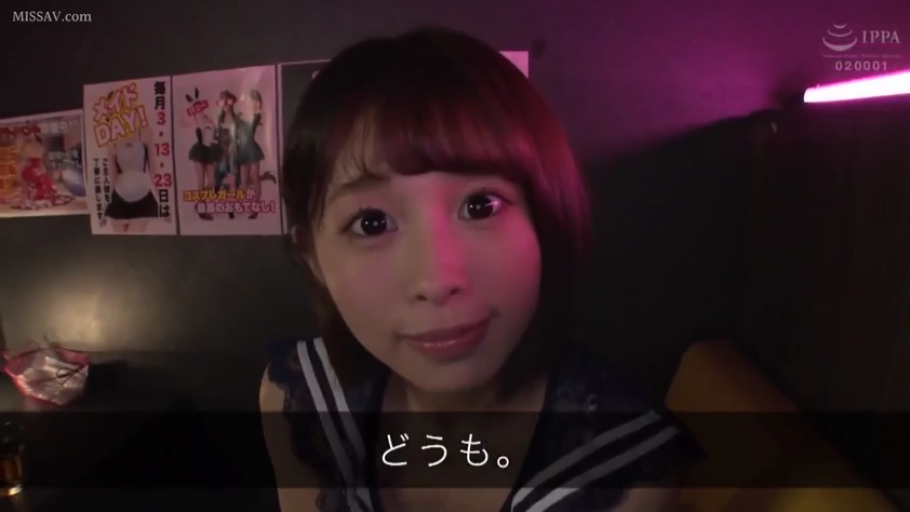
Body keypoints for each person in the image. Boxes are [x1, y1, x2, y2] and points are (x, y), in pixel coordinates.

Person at [261, 27, 702, 512]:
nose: (437, 281)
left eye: (480, 205)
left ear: (546, 220)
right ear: (313, 260)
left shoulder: (625, 472)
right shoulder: (301, 401)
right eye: (371, 223)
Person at [102, 126, 161, 233]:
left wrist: (163, 204)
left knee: (133, 238)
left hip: (142, 196)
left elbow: (153, 171)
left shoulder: (144, 132)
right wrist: (104, 208)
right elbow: (112, 177)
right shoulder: (111, 140)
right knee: (119, 240)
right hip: (119, 197)